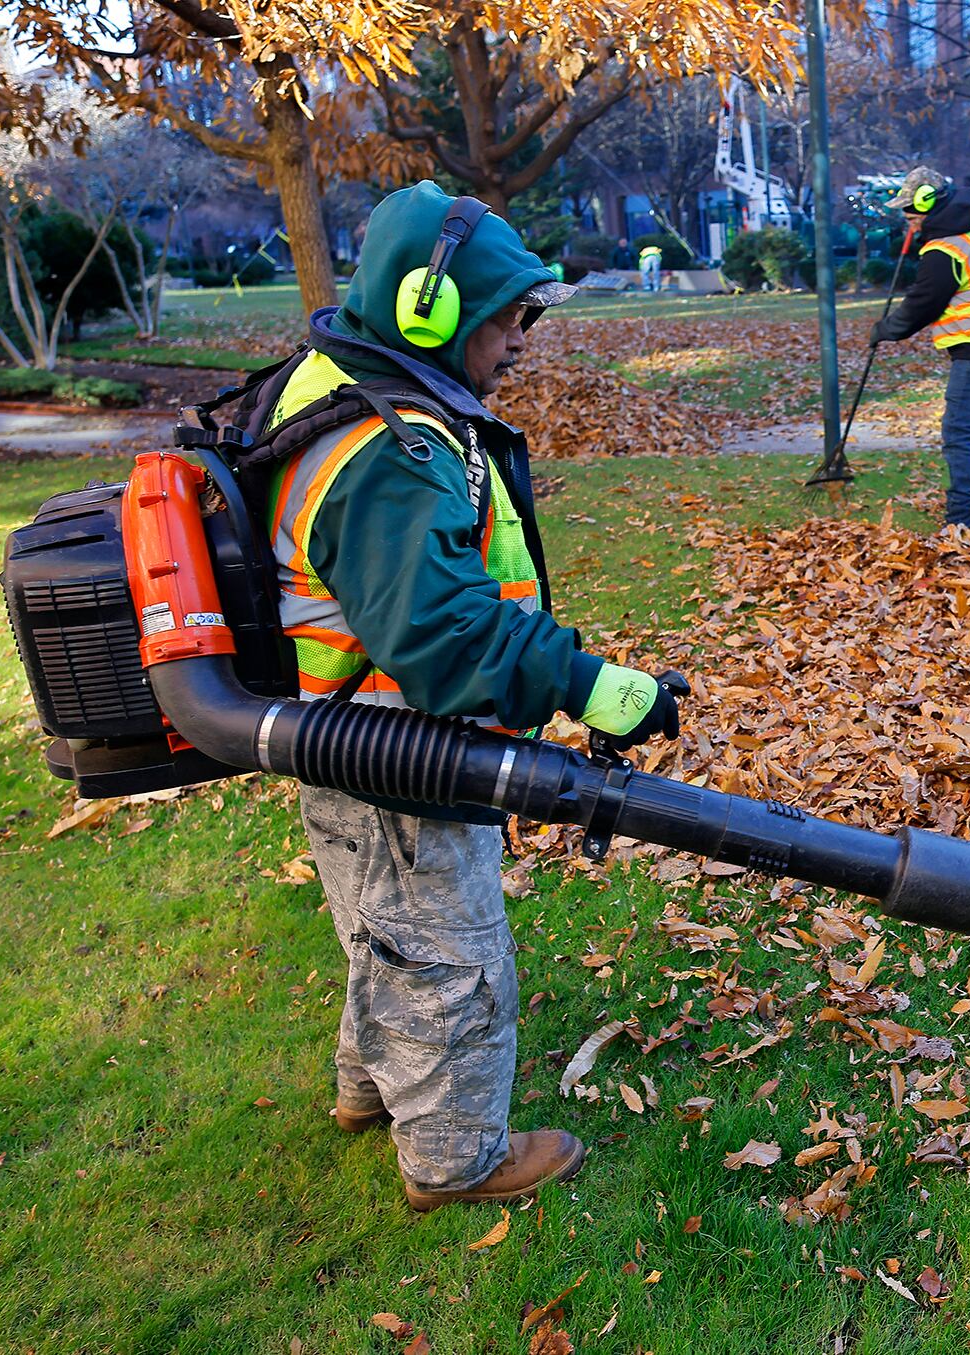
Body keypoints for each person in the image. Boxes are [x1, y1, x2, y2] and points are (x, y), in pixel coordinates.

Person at [256, 181, 681, 1212]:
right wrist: (593, 684)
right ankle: (454, 1155)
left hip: (341, 739)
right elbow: (443, 638)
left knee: (382, 929)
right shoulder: (385, 455)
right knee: (450, 954)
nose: (524, 337)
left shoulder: (338, 382)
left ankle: (367, 1088)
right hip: (400, 748)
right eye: (511, 313)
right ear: (428, 311)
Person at [869, 167, 970, 528]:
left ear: (930, 204)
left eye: (911, 217)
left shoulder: (945, 251)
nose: (909, 225)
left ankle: (961, 523)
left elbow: (923, 304)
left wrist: (886, 329)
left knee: (960, 435)